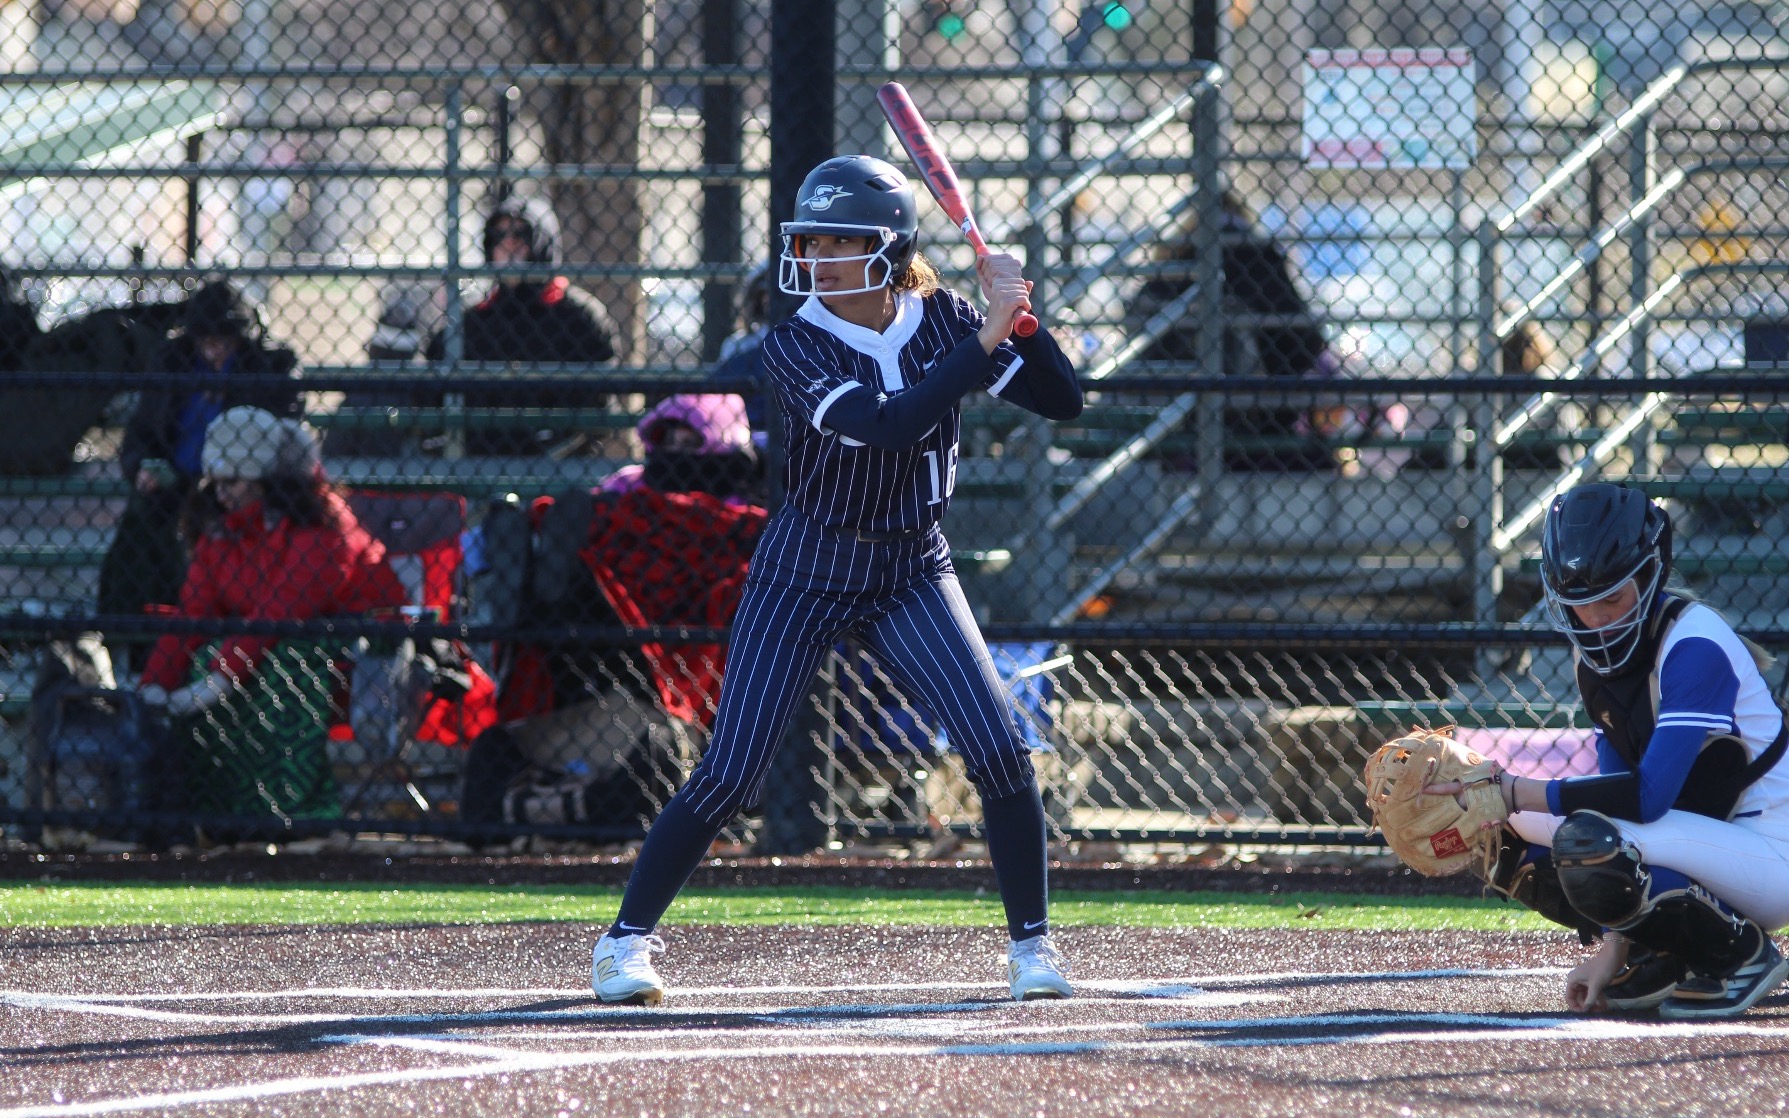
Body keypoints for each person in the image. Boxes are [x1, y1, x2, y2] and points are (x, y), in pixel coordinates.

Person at [589, 154, 1084, 1006]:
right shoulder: (794, 344)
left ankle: (1032, 947)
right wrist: (985, 335)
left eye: (835, 241)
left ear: (886, 250)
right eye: (808, 240)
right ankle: (622, 944)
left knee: (1001, 750)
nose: (813, 257)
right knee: (732, 773)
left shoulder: (942, 317)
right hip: (807, 565)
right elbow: (889, 425)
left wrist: (1024, 323)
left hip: (909, 564)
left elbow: (1062, 402)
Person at [1428, 483, 1789, 1019]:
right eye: (1579, 603)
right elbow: (1619, 804)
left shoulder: (1696, 644)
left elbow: (1645, 801)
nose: (1595, 618)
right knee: (1495, 830)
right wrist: (1612, 950)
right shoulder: (1593, 662)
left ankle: (1741, 955)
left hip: (1771, 855)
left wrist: (1508, 789)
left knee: (1574, 832)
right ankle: (1662, 952)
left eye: (1612, 598)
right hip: (1707, 843)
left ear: (1650, 575)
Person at [136, 406, 407, 827]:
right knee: (202, 659)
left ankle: (284, 812)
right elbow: (195, 611)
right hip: (257, 643)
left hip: (345, 651)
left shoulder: (325, 524)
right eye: (215, 480)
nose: (220, 493)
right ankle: (211, 814)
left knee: (280, 667)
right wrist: (155, 682)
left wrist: (220, 678)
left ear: (267, 480)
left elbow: (283, 611)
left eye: (234, 481)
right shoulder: (220, 528)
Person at [99, 280, 301, 622]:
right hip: (177, 481)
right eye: (205, 339)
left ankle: (193, 626)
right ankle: (132, 631)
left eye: (223, 339)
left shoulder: (271, 364)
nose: (213, 348)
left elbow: (283, 430)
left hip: (239, 482)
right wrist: (142, 467)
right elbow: (142, 431)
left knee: (201, 528)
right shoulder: (173, 361)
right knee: (141, 526)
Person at [1126, 190, 1334, 472]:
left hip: (1170, 410)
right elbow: (1304, 343)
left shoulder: (1175, 259)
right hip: (1255, 413)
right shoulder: (1260, 257)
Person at [423, 194, 618, 455]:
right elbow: (431, 393)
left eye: (521, 234)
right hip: (479, 461)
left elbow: (599, 408)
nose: (509, 244)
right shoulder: (475, 319)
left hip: (557, 466)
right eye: (499, 235)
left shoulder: (578, 315)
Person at [599, 392, 763, 504]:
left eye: (689, 444)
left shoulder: (743, 499)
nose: (676, 452)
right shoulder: (630, 482)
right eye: (669, 442)